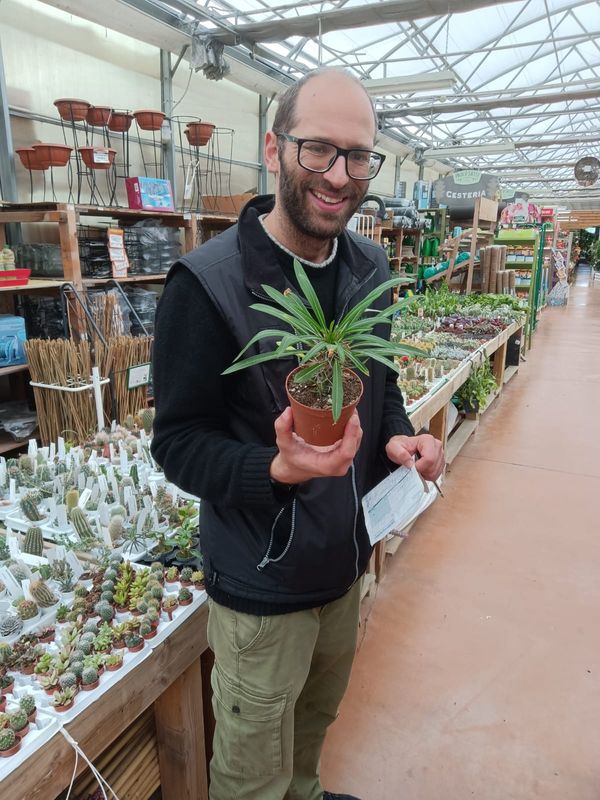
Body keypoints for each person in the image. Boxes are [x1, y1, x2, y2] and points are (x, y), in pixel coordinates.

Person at [151, 67, 445, 800]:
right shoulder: (208, 283)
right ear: (273, 147)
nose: (339, 176)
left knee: (314, 732)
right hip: (259, 587)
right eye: (318, 150)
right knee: (252, 774)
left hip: (344, 566)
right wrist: (272, 471)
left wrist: (397, 441)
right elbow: (179, 441)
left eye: (357, 156)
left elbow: (382, 390)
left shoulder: (369, 265)